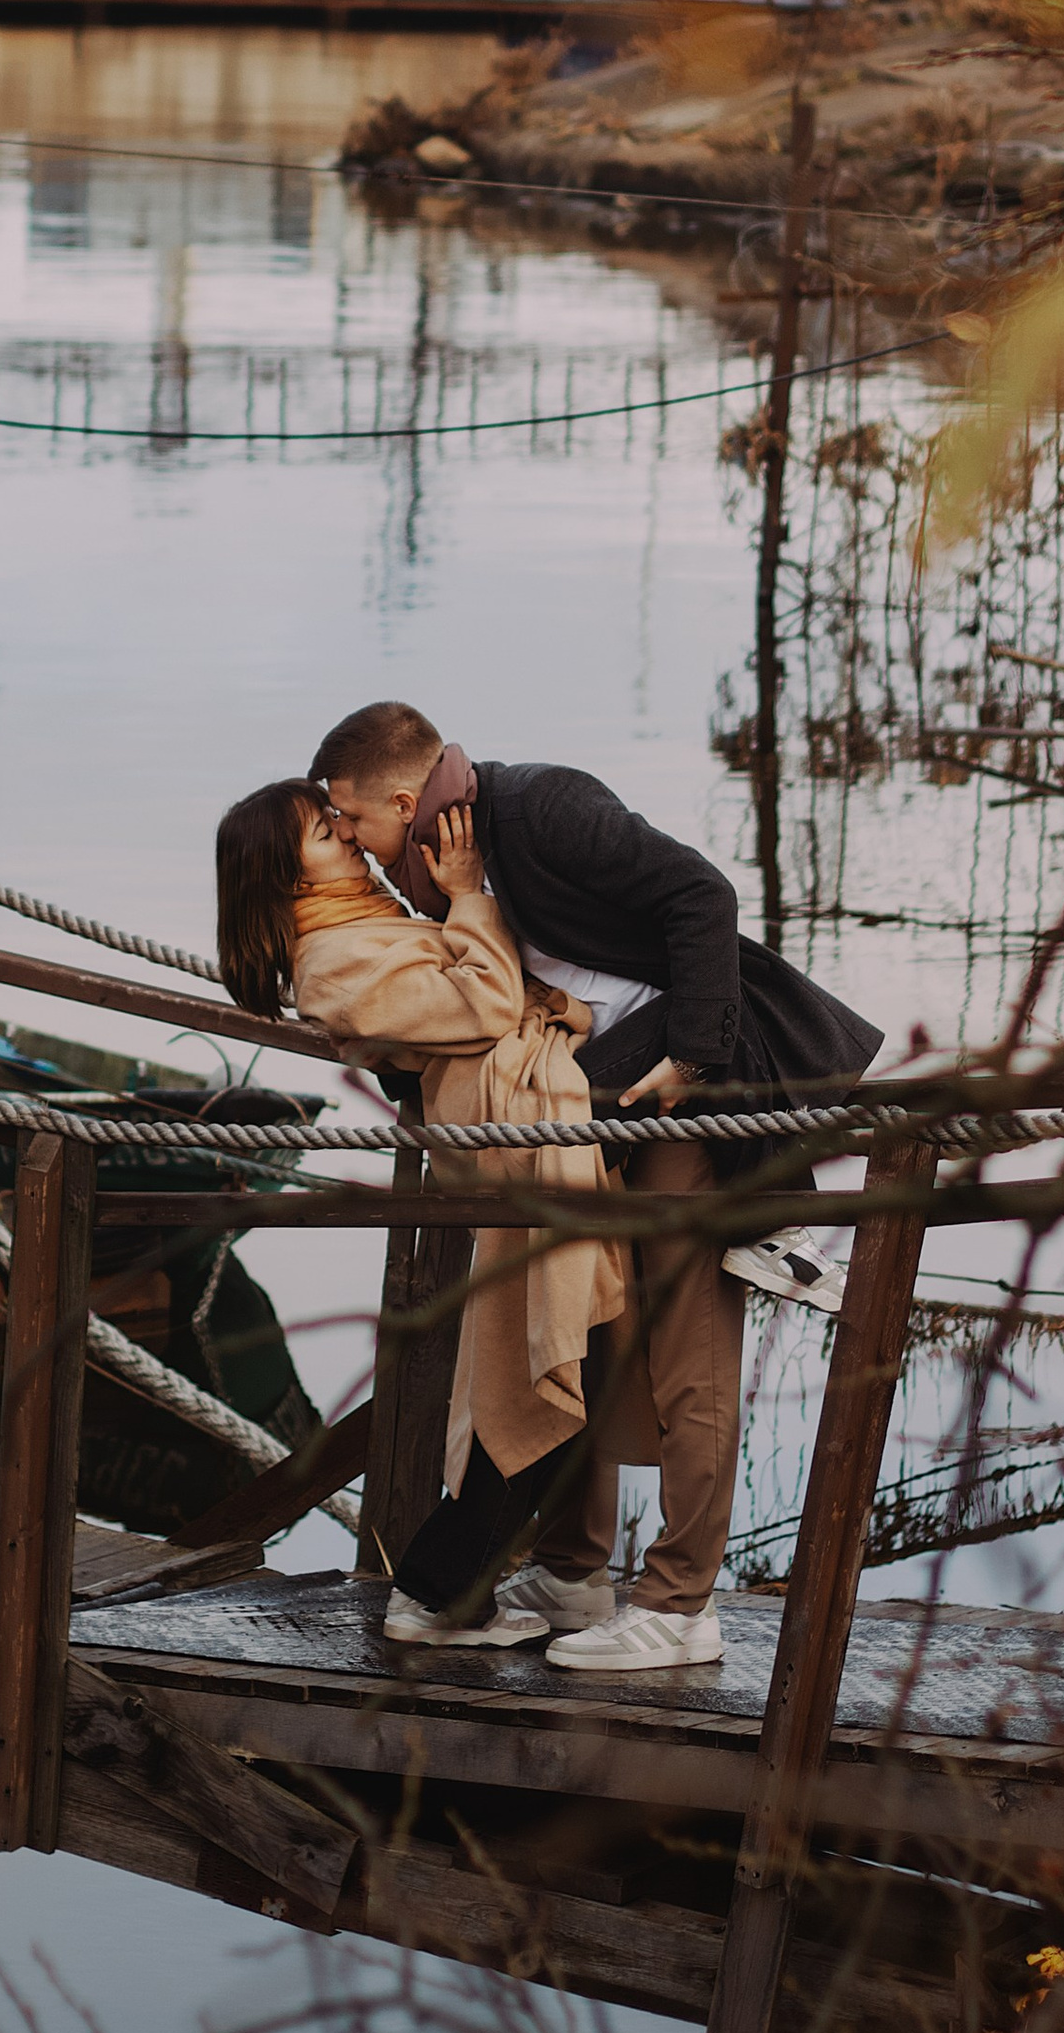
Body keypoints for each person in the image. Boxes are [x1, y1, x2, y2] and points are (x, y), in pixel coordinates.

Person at [311, 701, 882, 1675]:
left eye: (353, 821)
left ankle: (677, 1606)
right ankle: (574, 1574)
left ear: (403, 802)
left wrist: (693, 1062)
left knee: (684, 1350)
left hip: (682, 1102)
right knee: (576, 1333)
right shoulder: (437, 870)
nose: (352, 845)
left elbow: (701, 898)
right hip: (583, 1128)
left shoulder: (542, 808)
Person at [214, 777, 624, 1649]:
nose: (351, 840)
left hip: (533, 1134)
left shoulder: (359, 928)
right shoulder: (333, 964)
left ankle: (491, 1583)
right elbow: (485, 1003)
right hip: (519, 1152)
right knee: (533, 1366)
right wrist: (472, 892)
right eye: (327, 835)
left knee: (562, 1355)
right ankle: (433, 1595)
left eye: (339, 821)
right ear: (288, 881)